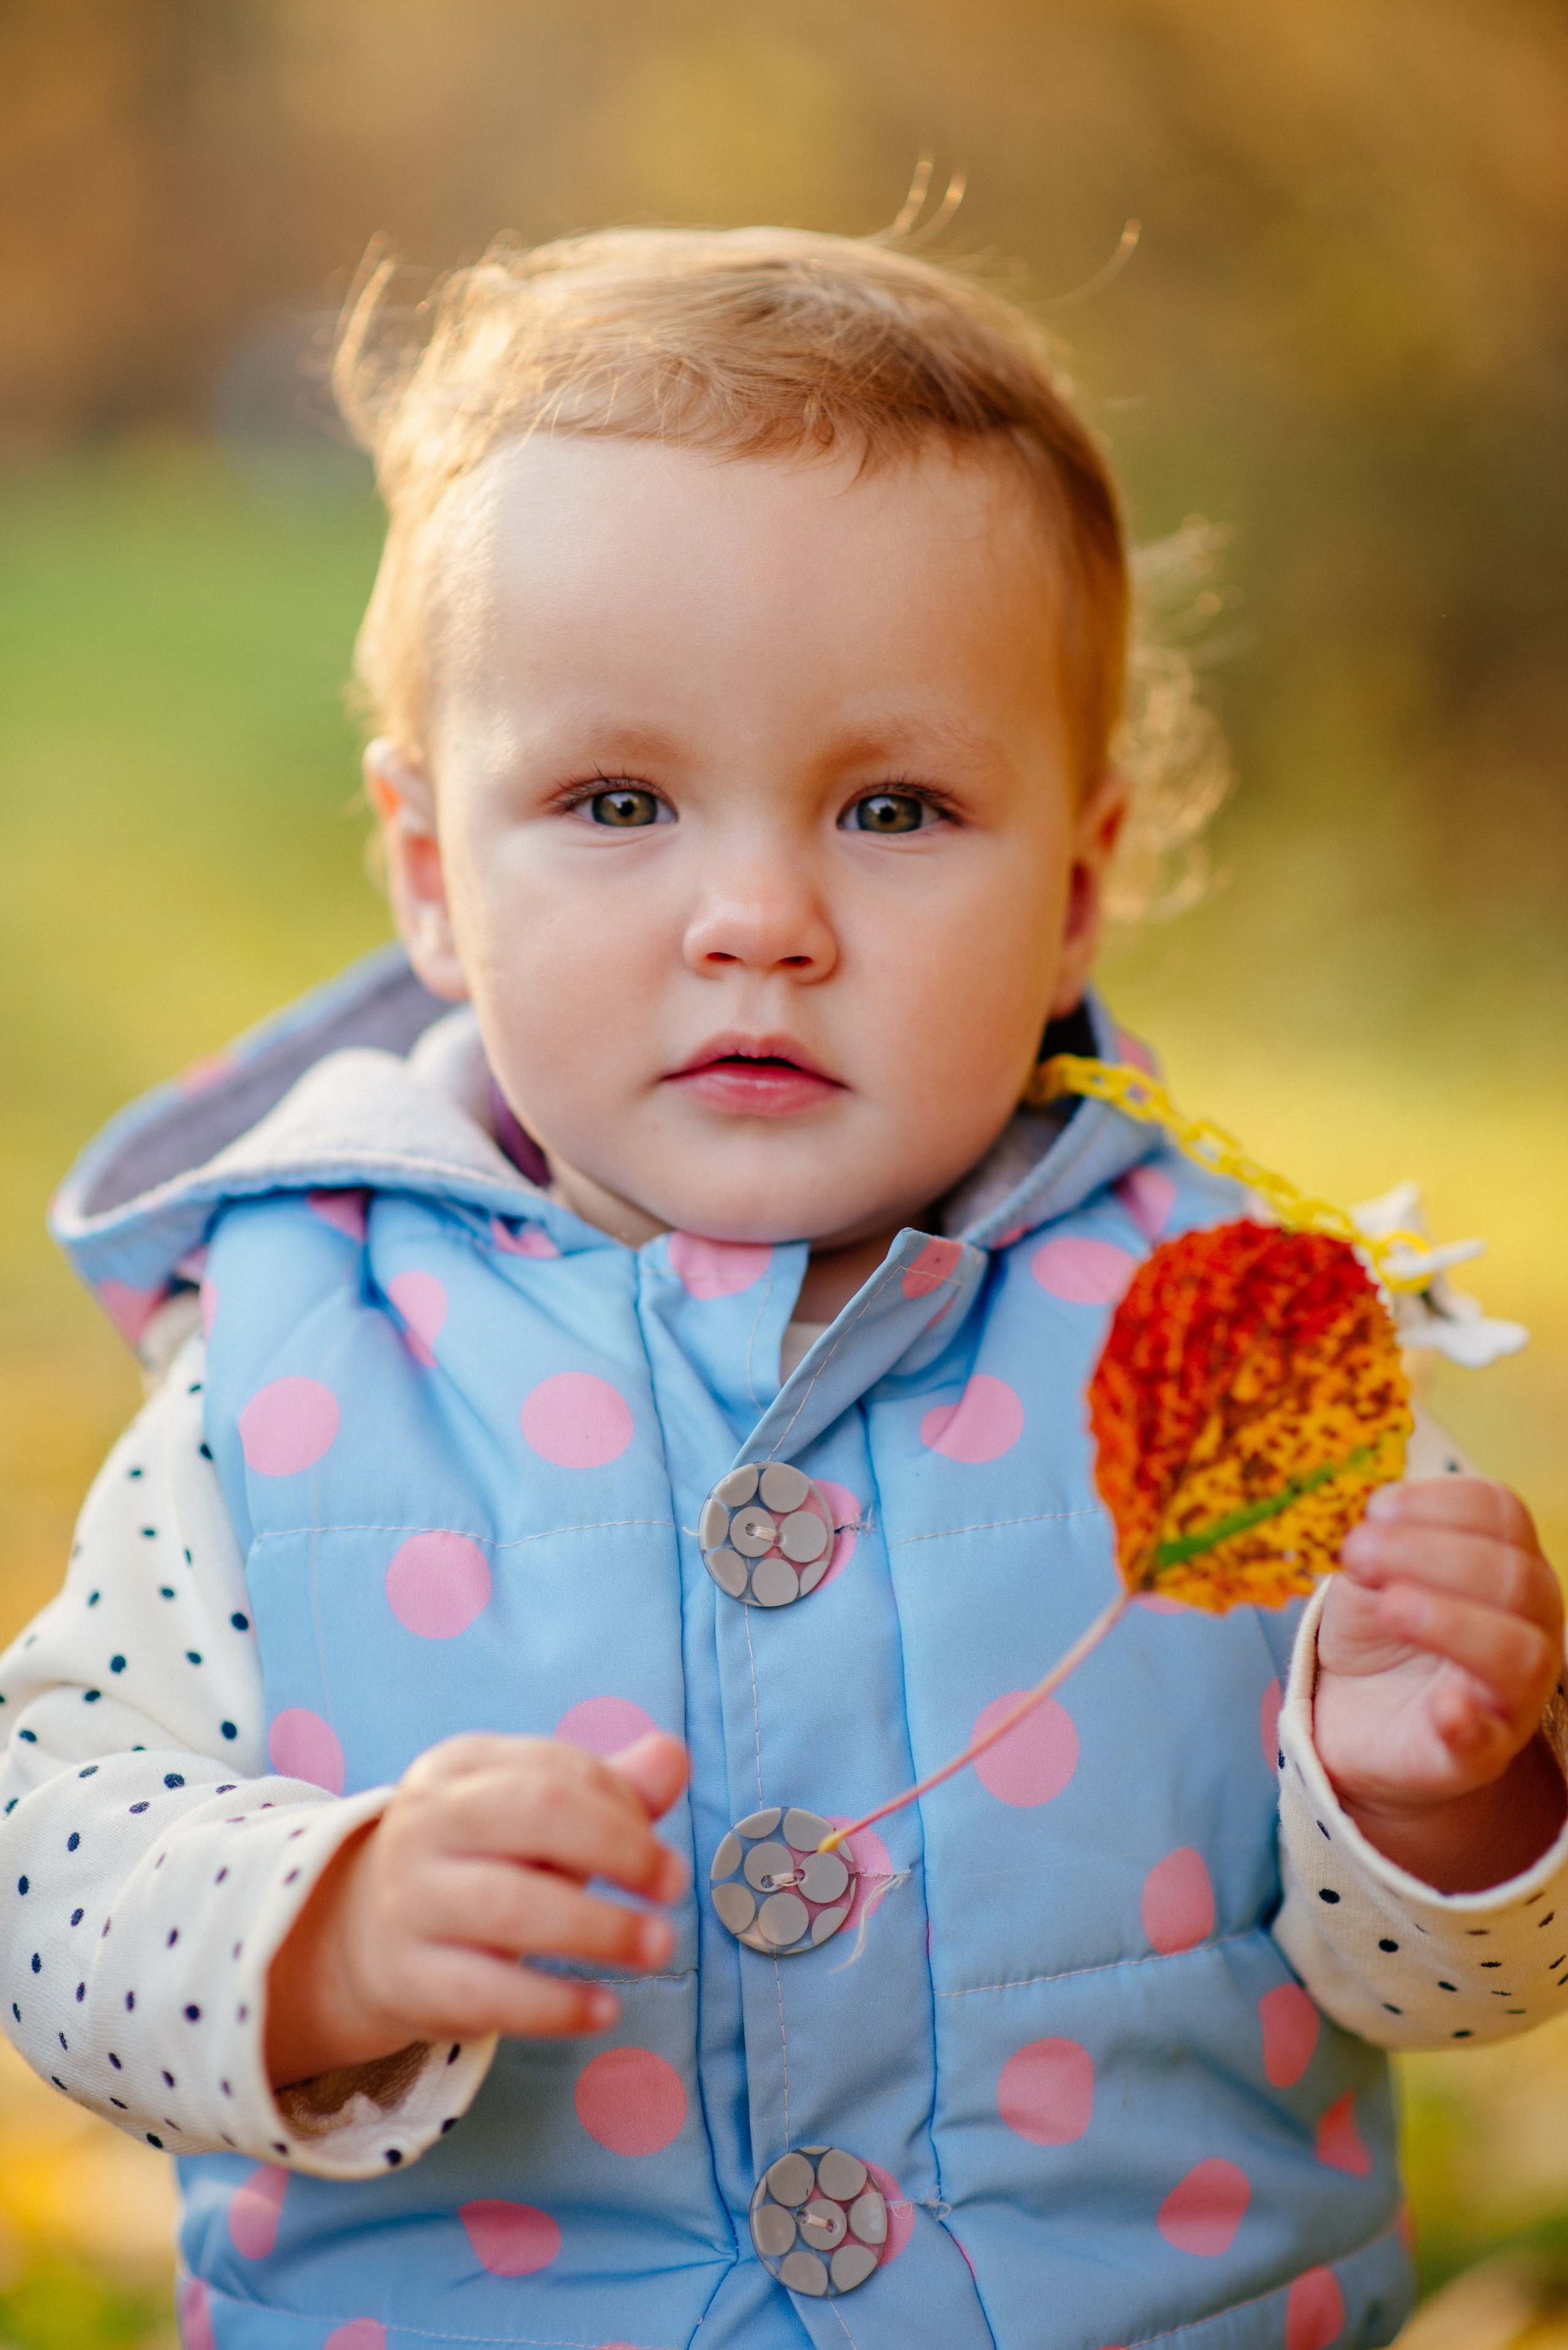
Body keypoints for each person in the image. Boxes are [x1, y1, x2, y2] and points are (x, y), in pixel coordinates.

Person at [1, 225, 1562, 2350]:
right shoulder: (294, 1360)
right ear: (434, 874)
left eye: (897, 806)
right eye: (618, 799)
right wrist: (319, 1925)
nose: (761, 916)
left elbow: (1456, 1980)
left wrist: (1448, 1791)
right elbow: (52, 1859)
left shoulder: (1238, 1348)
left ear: (1079, 885)